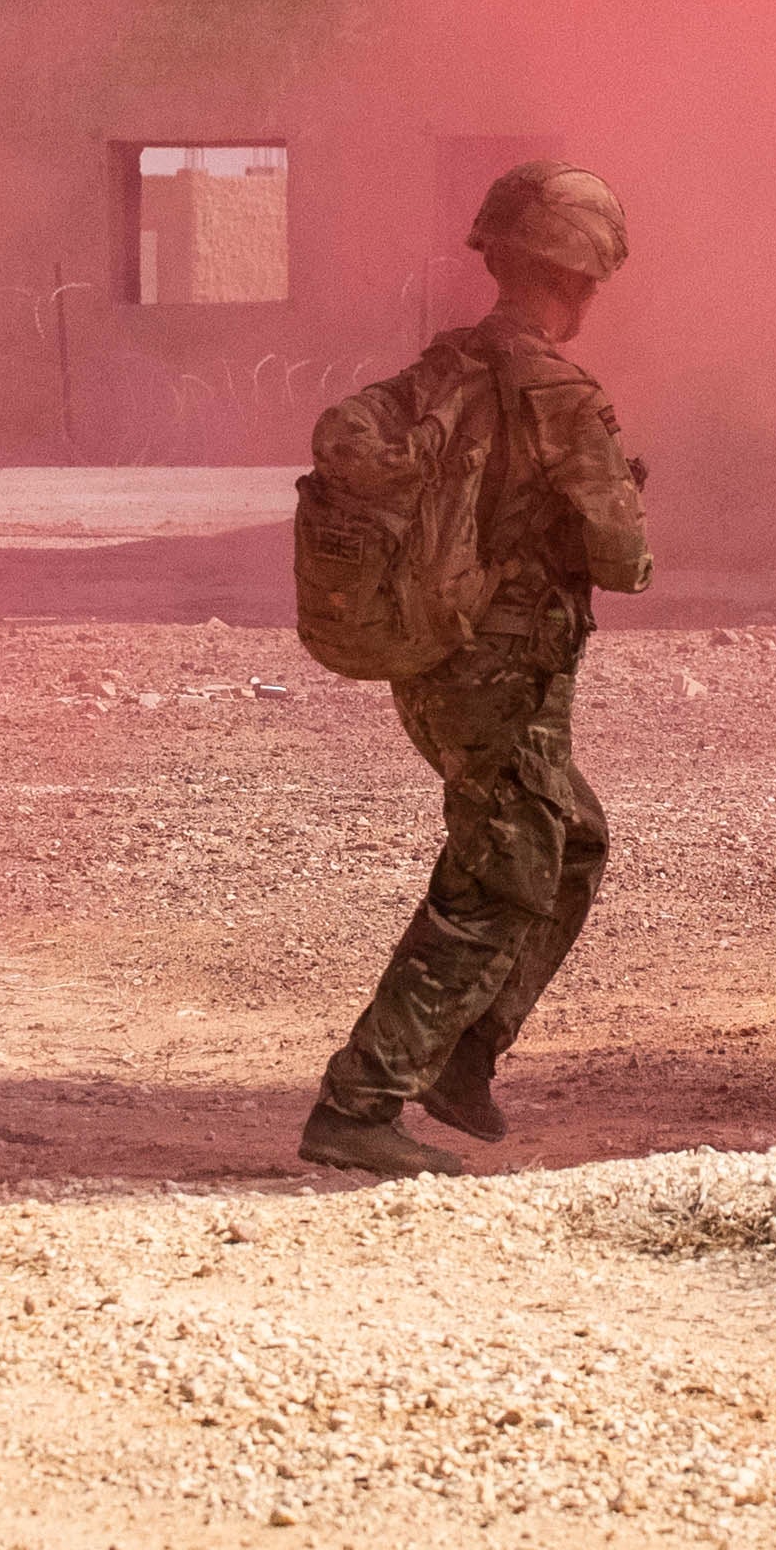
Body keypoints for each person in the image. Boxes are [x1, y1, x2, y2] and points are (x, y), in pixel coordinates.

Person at [302, 164, 652, 1179]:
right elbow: (625, 561)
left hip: (436, 657)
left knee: (568, 841)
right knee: (499, 877)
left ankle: (461, 1054)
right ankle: (361, 1098)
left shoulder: (439, 368)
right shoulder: (560, 393)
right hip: (504, 672)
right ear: (581, 278)